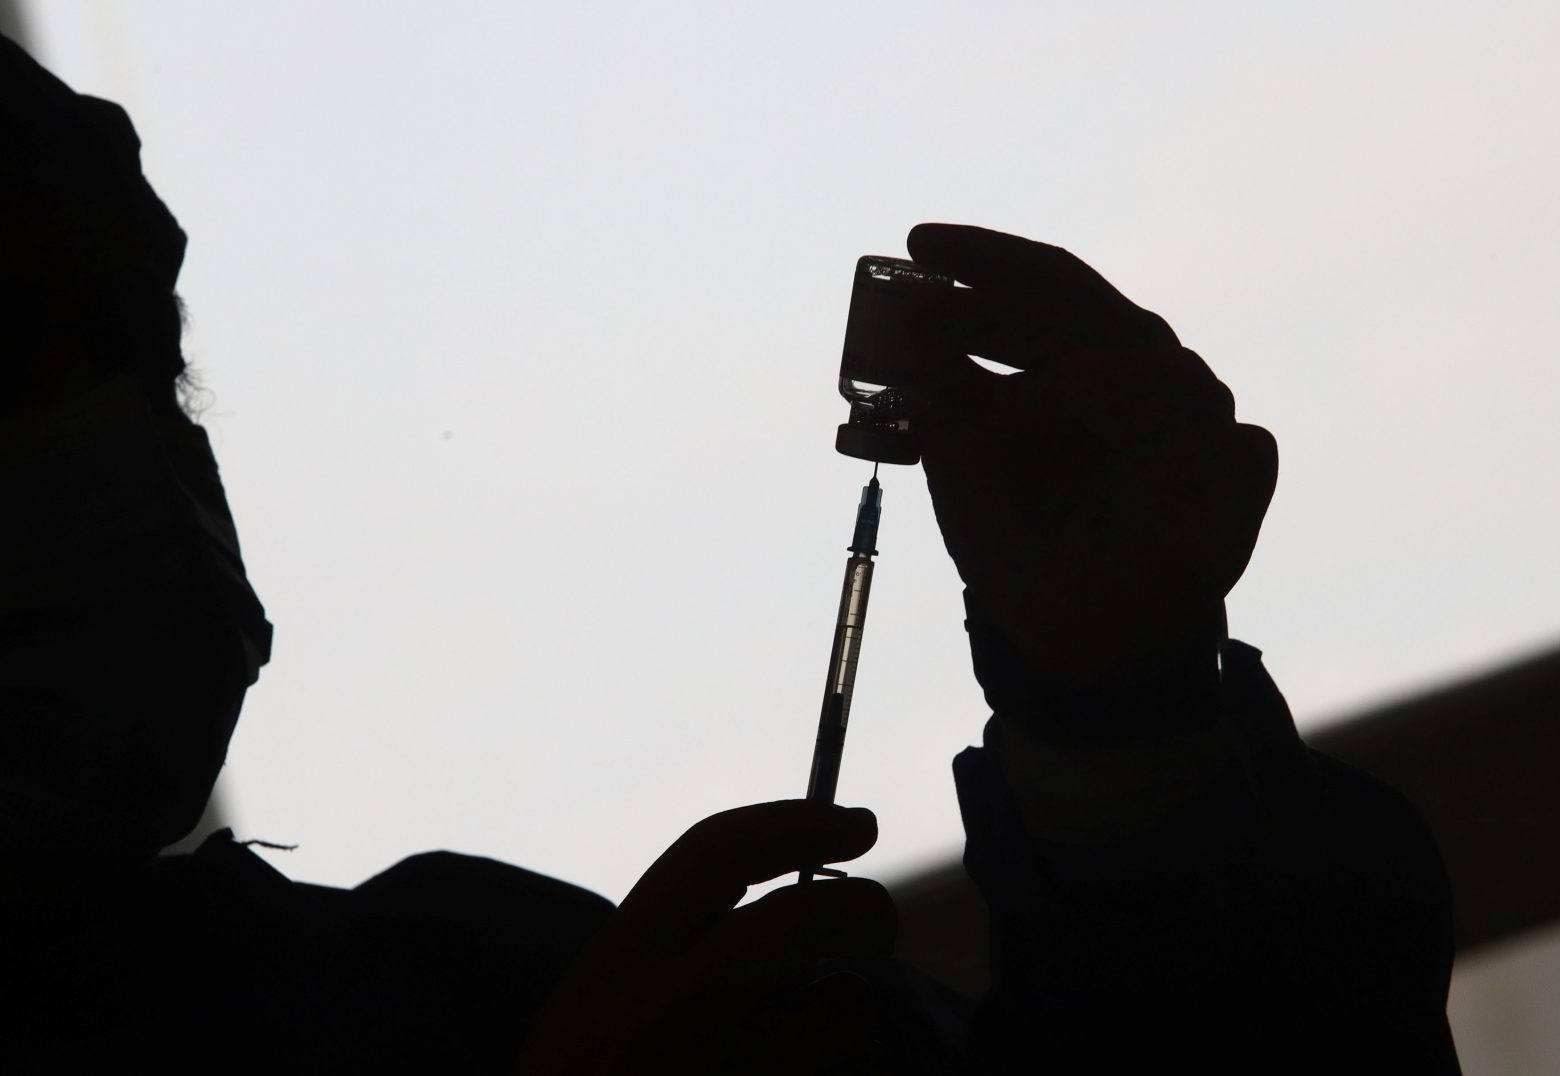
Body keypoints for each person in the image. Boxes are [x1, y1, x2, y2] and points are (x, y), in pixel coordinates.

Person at [2, 31, 1459, 1074]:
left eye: (151, 374)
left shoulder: (464, 987)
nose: (127, 462)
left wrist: (1123, 722)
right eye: (12, 380)